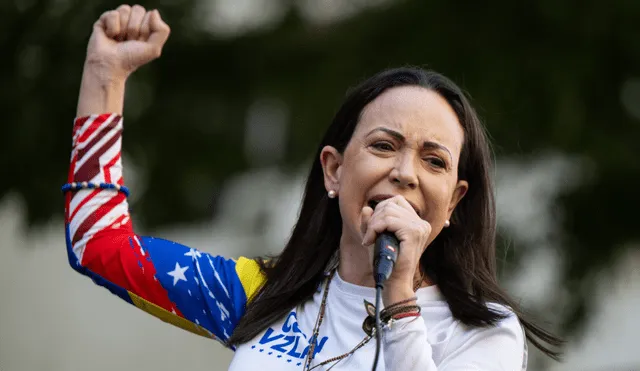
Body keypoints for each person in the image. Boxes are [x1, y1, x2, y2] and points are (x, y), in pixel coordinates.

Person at [64, 4, 562, 370]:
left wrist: (400, 298)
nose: (406, 172)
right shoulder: (262, 294)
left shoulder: (483, 330)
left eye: (434, 160)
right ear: (333, 170)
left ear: (454, 201)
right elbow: (98, 246)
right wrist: (104, 76)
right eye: (384, 146)